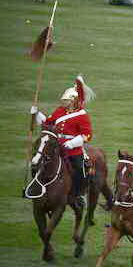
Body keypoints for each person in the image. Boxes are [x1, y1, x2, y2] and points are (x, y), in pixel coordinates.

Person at [30, 75, 94, 208]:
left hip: (73, 149)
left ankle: (78, 195)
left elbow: (87, 135)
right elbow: (47, 123)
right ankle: (35, 186)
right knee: (38, 160)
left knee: (79, 169)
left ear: (74, 101)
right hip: (55, 145)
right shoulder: (60, 111)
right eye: (64, 101)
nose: (65, 103)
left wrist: (72, 143)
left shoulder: (82, 115)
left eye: (67, 101)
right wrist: (36, 113)